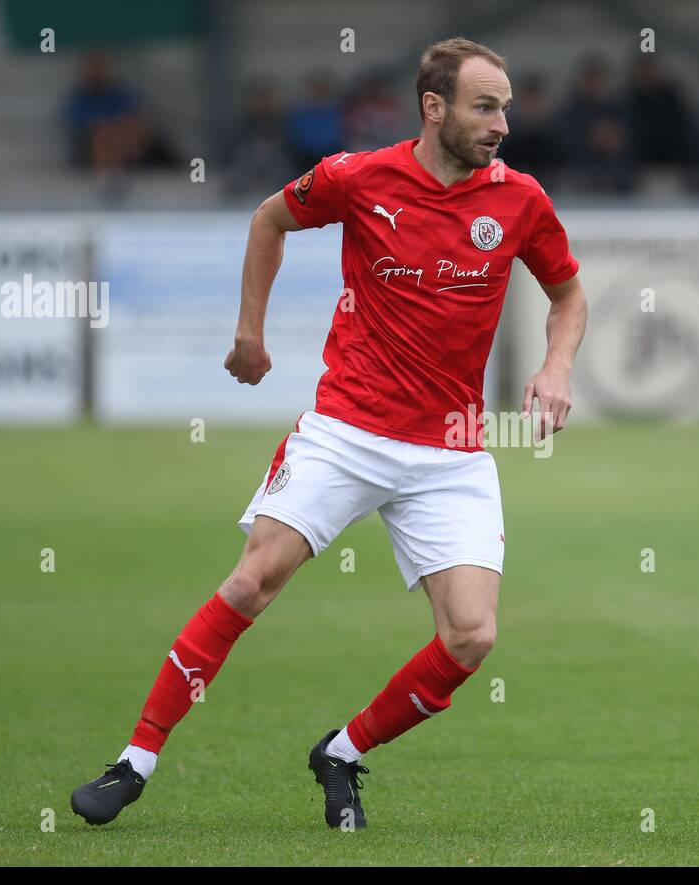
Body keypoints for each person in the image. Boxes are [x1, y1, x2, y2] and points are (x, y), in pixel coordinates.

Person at [70, 37, 588, 831]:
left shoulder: (519, 201)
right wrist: (251, 333)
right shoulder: (358, 178)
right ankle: (134, 762)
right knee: (252, 581)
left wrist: (556, 368)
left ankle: (341, 751)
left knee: (473, 637)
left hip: (451, 451)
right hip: (347, 428)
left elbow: (568, 294)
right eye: (486, 107)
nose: (502, 124)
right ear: (434, 107)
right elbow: (269, 219)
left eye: (506, 107)